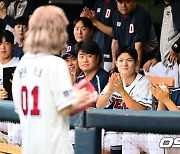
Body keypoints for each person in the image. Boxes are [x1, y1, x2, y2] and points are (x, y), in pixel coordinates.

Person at [12, 5, 97, 154]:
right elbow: (65, 107)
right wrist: (80, 96)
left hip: (30, 148)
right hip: (54, 148)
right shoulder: (56, 64)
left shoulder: (22, 64)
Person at [96, 46, 153, 153]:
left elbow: (140, 110)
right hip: (119, 129)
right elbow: (99, 106)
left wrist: (121, 91)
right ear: (116, 63)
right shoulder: (115, 79)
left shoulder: (144, 83)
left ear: (136, 64)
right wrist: (109, 91)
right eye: (121, 61)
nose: (124, 64)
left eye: (129, 60)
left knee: (123, 136)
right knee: (95, 138)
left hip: (141, 131)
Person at [111, 0, 159, 72]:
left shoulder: (141, 15)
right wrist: (114, 63)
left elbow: (139, 45)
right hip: (128, 58)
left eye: (127, 2)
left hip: (148, 60)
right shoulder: (116, 14)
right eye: (120, 2)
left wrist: (137, 68)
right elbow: (115, 41)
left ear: (134, 2)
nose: (123, 5)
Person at [143, 0, 180, 87]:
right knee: (147, 70)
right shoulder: (168, 7)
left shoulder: (177, 6)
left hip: (175, 60)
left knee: (176, 92)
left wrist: (176, 47)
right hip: (167, 61)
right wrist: (156, 58)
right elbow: (165, 39)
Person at [80, 0, 117, 71]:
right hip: (95, 50)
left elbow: (116, 32)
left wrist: (95, 22)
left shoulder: (116, 4)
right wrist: (87, 19)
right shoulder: (99, 2)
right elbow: (94, 26)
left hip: (108, 54)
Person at [0, 29, 20, 146]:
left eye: (6, 43)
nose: (3, 47)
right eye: (0, 43)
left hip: (14, 113)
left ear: (13, 45)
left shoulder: (21, 65)